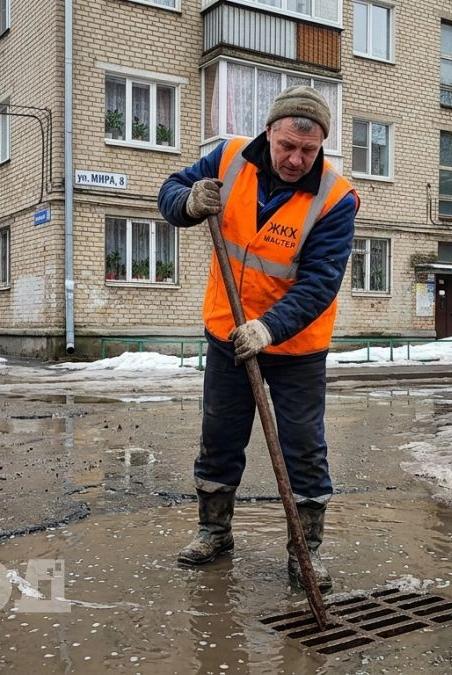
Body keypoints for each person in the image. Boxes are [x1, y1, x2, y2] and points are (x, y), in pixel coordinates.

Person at [157, 86, 359, 590]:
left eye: (308, 151)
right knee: (220, 436)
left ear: (322, 147)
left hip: (295, 346)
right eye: (287, 145)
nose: (295, 159)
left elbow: (320, 282)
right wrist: (186, 200)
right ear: (269, 132)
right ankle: (214, 532)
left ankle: (304, 551)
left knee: (303, 447)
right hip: (228, 332)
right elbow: (167, 192)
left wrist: (268, 327)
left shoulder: (335, 199)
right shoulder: (228, 158)